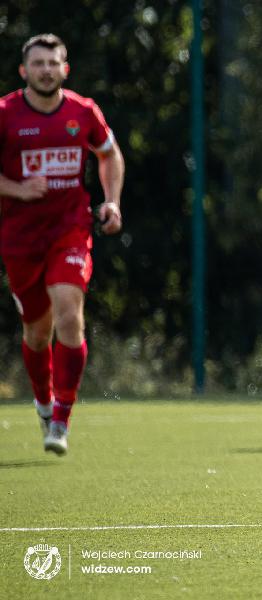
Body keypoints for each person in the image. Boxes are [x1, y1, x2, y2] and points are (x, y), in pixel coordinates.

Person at [0, 34, 124, 456]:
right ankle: (42, 401)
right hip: (20, 239)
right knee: (37, 333)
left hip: (70, 229)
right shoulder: (6, 114)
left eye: (53, 63)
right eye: (38, 63)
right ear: (24, 71)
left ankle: (61, 419)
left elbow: (110, 154)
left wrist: (111, 201)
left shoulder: (82, 111)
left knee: (69, 314)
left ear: (65, 69)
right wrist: (18, 189)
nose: (46, 70)